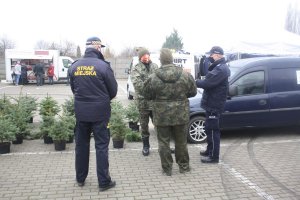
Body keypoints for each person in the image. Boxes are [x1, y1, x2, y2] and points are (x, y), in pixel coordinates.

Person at [69, 36, 118, 192]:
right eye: (100, 47)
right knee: (102, 146)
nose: (101, 49)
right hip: (100, 114)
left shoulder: (74, 66)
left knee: (81, 146)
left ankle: (80, 178)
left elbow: (73, 89)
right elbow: (113, 91)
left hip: (81, 113)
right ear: (97, 47)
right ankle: (103, 182)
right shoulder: (103, 66)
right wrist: (101, 99)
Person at [143, 48, 197, 176]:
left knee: (163, 142)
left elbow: (147, 94)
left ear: (161, 60)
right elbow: (193, 92)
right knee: (181, 142)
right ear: (172, 59)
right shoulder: (185, 75)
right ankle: (184, 166)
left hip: (161, 115)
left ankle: (167, 169)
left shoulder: (153, 77)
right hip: (180, 113)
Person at [196, 46, 231, 164]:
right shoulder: (218, 67)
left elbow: (207, 83)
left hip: (214, 105)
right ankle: (209, 150)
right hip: (211, 103)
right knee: (208, 128)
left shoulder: (221, 69)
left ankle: (213, 157)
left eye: (212, 55)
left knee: (213, 130)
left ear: (218, 55)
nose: (210, 57)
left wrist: (195, 82)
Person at [131, 48, 158, 156]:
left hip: (155, 103)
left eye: (147, 56)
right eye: (144, 57)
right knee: (144, 126)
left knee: (160, 125)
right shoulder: (136, 69)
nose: (146, 58)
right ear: (140, 58)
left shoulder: (155, 66)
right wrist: (152, 86)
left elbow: (160, 81)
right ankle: (146, 146)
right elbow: (138, 85)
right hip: (143, 103)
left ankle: (163, 146)